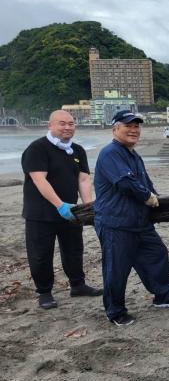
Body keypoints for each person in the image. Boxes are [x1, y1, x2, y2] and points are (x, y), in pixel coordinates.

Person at [93, 110, 169, 326]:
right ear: (115, 128)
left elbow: (146, 184)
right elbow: (125, 183)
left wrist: (159, 199)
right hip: (116, 223)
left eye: (137, 126)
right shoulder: (110, 153)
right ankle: (115, 312)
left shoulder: (133, 154)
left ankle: (164, 296)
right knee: (117, 269)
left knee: (157, 253)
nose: (134, 130)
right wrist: (148, 197)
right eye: (128, 126)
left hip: (139, 222)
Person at [21, 110, 103, 309]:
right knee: (40, 254)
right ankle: (44, 292)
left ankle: (78, 285)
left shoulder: (77, 150)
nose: (67, 127)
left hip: (71, 213)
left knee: (74, 250)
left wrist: (87, 207)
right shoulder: (38, 148)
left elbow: (83, 179)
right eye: (62, 123)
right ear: (50, 125)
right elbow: (39, 179)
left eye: (71, 124)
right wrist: (59, 205)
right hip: (40, 214)